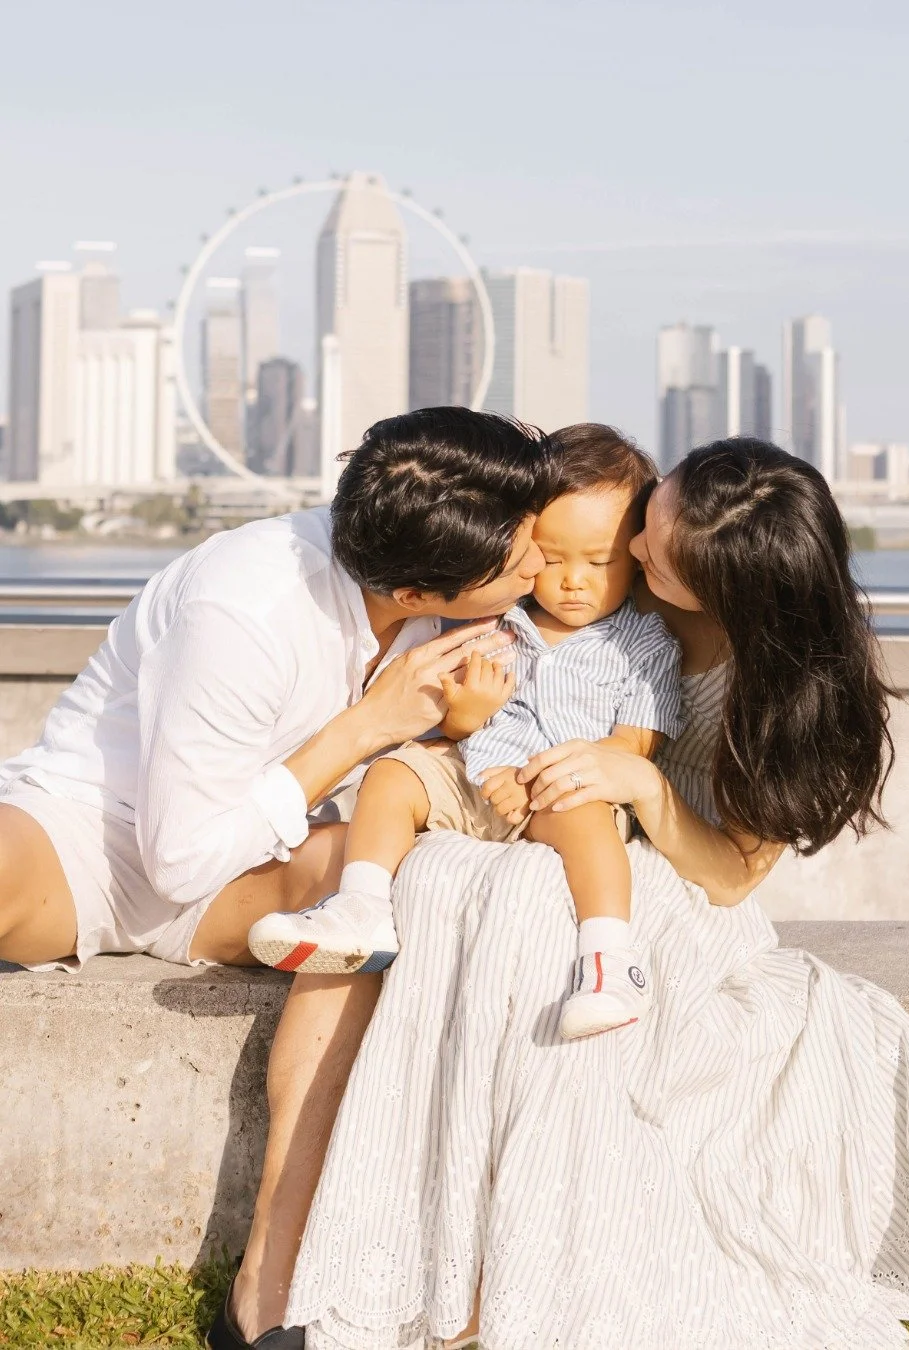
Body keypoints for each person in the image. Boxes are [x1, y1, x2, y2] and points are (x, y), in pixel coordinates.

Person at [286, 431, 909, 1349]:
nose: (641, 542)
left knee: (534, 907)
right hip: (548, 821)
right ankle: (443, 1247)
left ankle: (513, 1273)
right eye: (653, 514)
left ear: (720, 584)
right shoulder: (597, 601)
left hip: (678, 890)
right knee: (460, 877)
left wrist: (645, 787)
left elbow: (731, 878)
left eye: (654, 544)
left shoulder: (773, 685)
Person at [0, 407, 559, 1350]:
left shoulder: (468, 603)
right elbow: (175, 854)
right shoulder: (247, 604)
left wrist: (456, 736)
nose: (539, 570)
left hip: (261, 867)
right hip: (93, 836)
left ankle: (270, 1278)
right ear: (423, 584)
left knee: (406, 886)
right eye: (523, 559)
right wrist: (362, 728)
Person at [247, 432, 685, 1040]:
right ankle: (363, 905)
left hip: (565, 787)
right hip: (473, 775)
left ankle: (610, 960)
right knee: (394, 774)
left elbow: (634, 747)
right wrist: (466, 716)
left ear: (634, 559)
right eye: (551, 558)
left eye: (598, 562)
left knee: (588, 824)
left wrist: (539, 778)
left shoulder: (642, 646)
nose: (571, 581)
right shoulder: (493, 620)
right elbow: (449, 729)